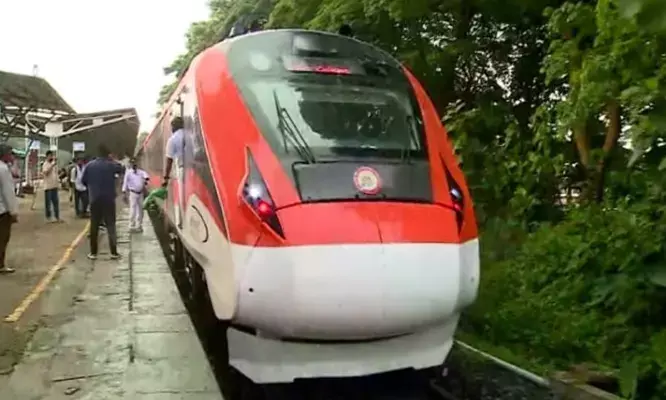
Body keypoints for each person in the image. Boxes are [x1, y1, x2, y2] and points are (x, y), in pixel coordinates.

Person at [81, 145, 123, 260]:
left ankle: (93, 253)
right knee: (111, 225)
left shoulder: (90, 165)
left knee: (94, 225)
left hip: (94, 199)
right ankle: (113, 252)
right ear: (108, 154)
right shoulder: (111, 165)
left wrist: (92, 187)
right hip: (109, 199)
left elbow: (83, 181)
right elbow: (121, 168)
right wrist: (112, 159)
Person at [163, 117, 185, 229]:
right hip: (193, 168)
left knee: (180, 196)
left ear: (174, 127)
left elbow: (169, 161)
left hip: (181, 168)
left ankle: (180, 222)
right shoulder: (190, 136)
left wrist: (166, 177)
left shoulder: (172, 139)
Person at [0, 145, 19, 274]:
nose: (12, 156)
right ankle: (0, 265)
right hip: (2, 210)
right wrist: (13, 212)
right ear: (5, 155)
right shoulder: (3, 169)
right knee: (2, 238)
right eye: (10, 153)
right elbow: (8, 192)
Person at [122, 158, 149, 232]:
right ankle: (131, 225)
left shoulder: (141, 172)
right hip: (133, 193)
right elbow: (125, 183)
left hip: (140, 193)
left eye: (135, 164)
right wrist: (124, 193)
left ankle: (139, 225)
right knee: (133, 209)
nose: (134, 165)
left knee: (140, 210)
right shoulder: (128, 173)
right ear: (131, 164)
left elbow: (146, 177)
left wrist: (146, 181)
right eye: (132, 164)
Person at [41, 150, 61, 223]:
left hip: (54, 186)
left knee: (56, 203)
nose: (51, 157)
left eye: (52, 156)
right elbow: (45, 173)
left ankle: (57, 217)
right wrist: (52, 165)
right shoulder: (45, 164)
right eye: (50, 156)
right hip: (48, 187)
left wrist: (58, 184)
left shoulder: (54, 164)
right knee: (48, 204)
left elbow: (56, 174)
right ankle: (48, 217)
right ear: (47, 156)